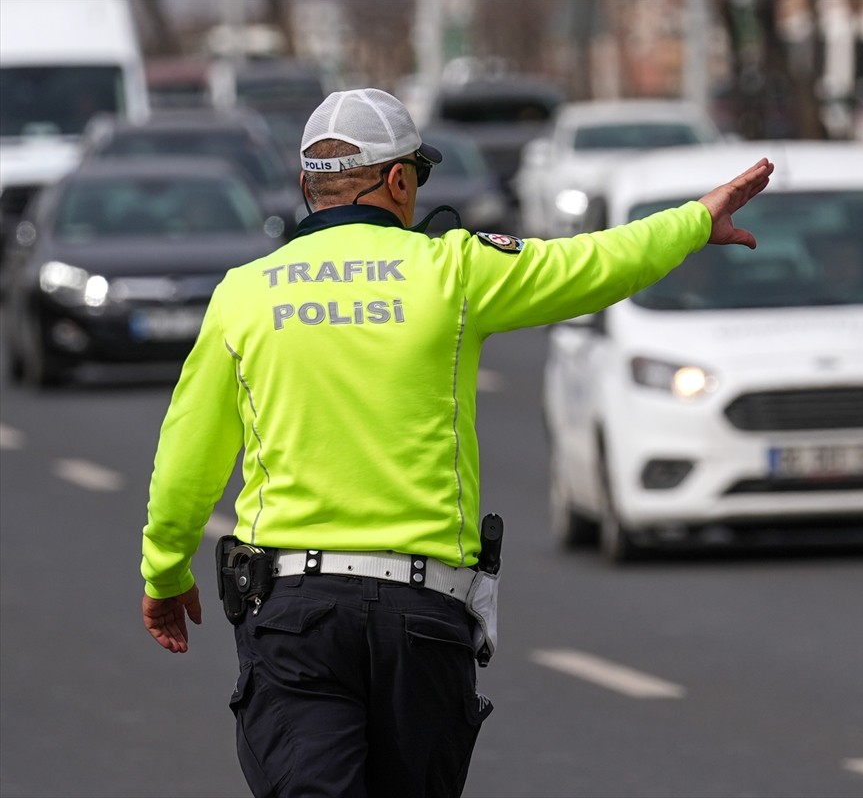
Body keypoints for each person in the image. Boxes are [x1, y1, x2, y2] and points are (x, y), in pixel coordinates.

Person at [140, 87, 773, 798]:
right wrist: (693, 222)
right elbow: (595, 265)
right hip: (423, 619)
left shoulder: (243, 295)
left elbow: (186, 461)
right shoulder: (454, 271)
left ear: (308, 187)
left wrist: (166, 573)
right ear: (399, 180)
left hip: (295, 619)